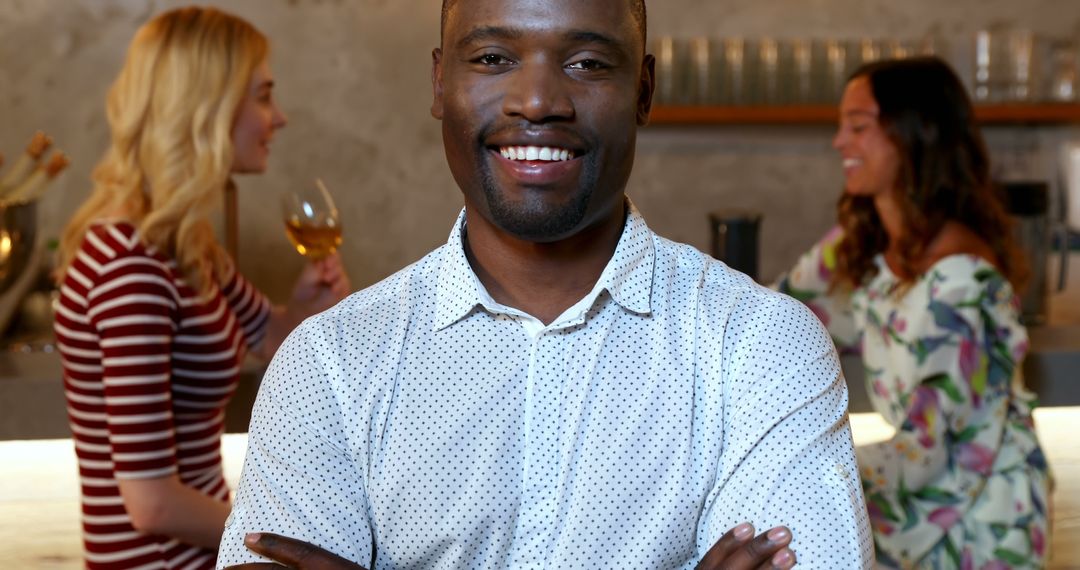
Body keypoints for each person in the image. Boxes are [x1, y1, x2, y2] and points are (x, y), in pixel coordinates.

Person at [217, 0, 874, 568]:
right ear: (440, 79)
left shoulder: (760, 344)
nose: (537, 101)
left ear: (644, 89)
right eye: (494, 58)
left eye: (587, 63)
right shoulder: (329, 362)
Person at [53, 7, 350, 569]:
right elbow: (152, 504)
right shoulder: (132, 266)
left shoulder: (182, 245)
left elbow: (267, 336)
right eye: (263, 96)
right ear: (208, 107)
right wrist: (286, 546)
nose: (279, 117)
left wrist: (307, 308)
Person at [775, 57, 1052, 568]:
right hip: (913, 518)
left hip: (980, 530)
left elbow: (929, 449)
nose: (839, 142)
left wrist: (793, 471)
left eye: (858, 127)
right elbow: (780, 312)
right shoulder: (870, 248)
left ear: (914, 136)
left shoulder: (963, 281)